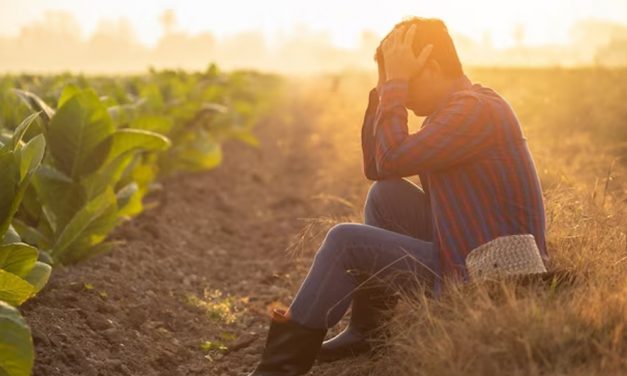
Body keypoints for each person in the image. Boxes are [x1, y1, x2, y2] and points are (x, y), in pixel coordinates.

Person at [247, 17, 548, 376]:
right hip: (466, 249)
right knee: (384, 195)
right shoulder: (451, 110)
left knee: (345, 241)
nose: (399, 91)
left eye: (404, 80)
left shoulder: (474, 111)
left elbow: (390, 157)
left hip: (489, 276)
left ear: (432, 68)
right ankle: (368, 331)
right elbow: (379, 167)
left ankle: (276, 371)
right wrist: (386, 88)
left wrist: (395, 88)